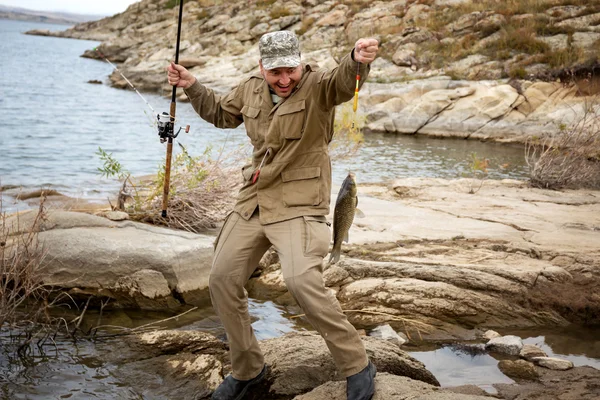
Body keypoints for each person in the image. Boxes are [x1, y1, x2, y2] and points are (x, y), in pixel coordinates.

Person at [167, 30, 379, 400]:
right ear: (262, 67)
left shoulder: (318, 85)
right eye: (275, 72)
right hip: (255, 197)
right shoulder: (249, 88)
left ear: (301, 63)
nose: (284, 80)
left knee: (300, 280)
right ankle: (249, 369)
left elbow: (345, 83)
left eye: (290, 71)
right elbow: (220, 113)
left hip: (300, 201)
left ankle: (357, 364)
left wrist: (358, 61)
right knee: (221, 277)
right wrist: (192, 85)